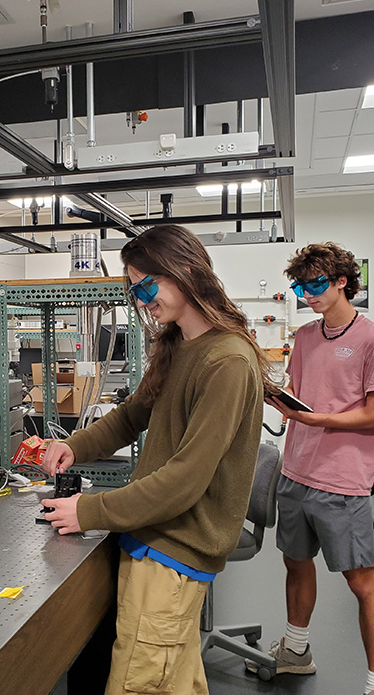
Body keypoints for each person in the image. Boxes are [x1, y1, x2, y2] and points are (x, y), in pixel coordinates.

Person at [41, 224, 276, 695]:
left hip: (173, 553)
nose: (142, 298)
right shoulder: (179, 345)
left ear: (185, 272)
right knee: (176, 681)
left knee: (138, 684)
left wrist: (89, 510)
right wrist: (77, 445)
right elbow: (131, 417)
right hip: (155, 540)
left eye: (147, 285)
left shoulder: (226, 361)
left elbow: (184, 480)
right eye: (134, 289)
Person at [246, 243, 374, 695]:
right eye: (300, 287)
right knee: (296, 563)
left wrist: (318, 418)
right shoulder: (307, 337)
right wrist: (276, 394)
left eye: (315, 285)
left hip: (342, 480)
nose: (306, 295)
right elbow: (298, 388)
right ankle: (296, 653)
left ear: (342, 282)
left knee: (362, 581)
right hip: (295, 473)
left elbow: (373, 415)